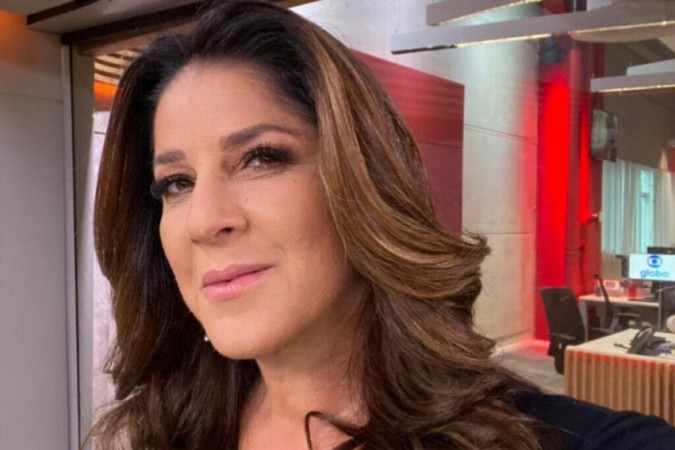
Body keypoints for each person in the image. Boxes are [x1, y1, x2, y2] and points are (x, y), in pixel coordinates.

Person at [92, 1, 675, 448]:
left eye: (261, 158)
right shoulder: (165, 429)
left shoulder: (558, 440)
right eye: (176, 182)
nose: (204, 221)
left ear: (362, 182)